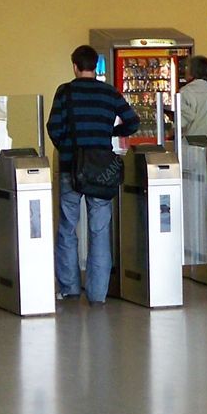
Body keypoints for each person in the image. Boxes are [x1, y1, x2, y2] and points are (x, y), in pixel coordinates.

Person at [46, 45, 140, 305]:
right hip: (101, 170)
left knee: (67, 227)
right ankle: (98, 294)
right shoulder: (109, 92)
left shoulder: (65, 92)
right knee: (99, 230)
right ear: (95, 66)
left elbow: (53, 126)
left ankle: (70, 288)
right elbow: (132, 121)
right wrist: (108, 135)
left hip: (71, 168)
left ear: (75, 66)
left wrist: (67, 148)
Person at [179, 56, 207, 150]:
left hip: (193, 146)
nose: (185, 70)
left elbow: (183, 120)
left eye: (187, 67)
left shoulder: (186, 91)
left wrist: (170, 129)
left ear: (193, 71)